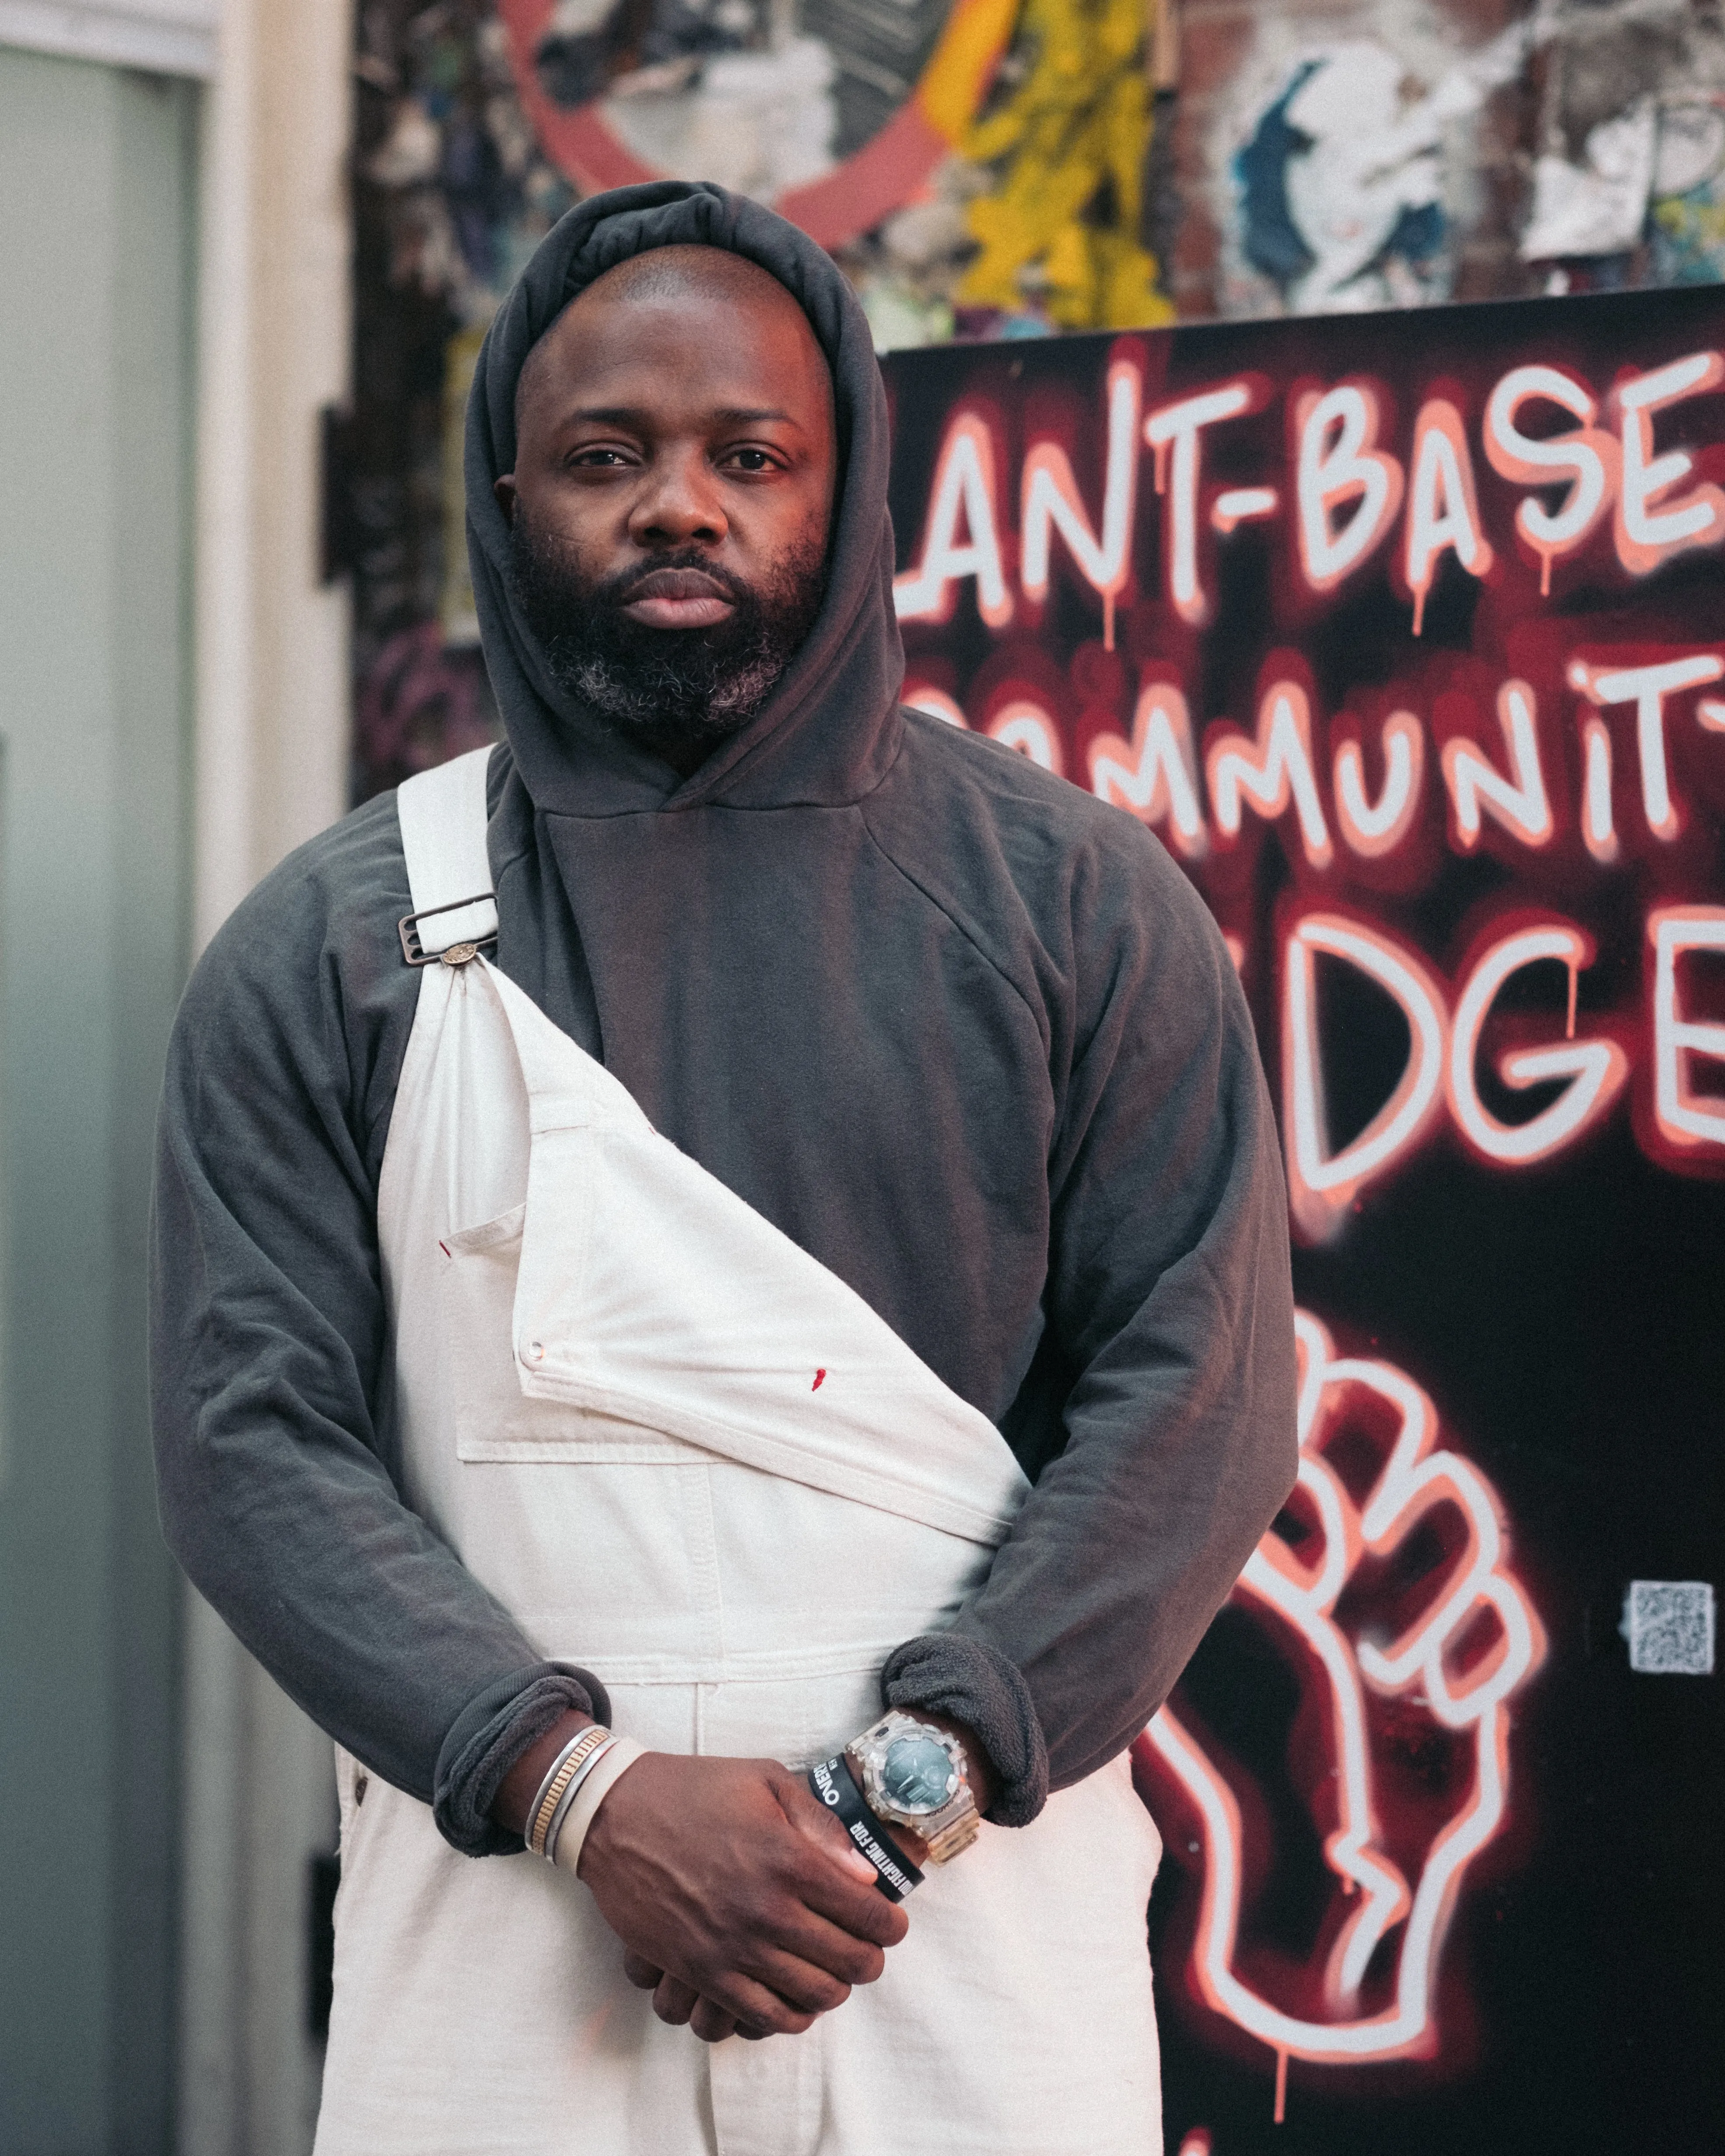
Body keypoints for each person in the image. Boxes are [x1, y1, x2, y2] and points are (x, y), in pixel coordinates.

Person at [151, 180, 1297, 2155]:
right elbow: (253, 1441)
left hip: (966, 1925)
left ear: (845, 492)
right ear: (507, 500)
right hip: (501, 1917)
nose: (680, 505)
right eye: (608, 456)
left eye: (747, 456)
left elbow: (1202, 1404)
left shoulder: (1079, 908)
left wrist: (912, 1785)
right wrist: (578, 1789)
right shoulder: (331, 946)